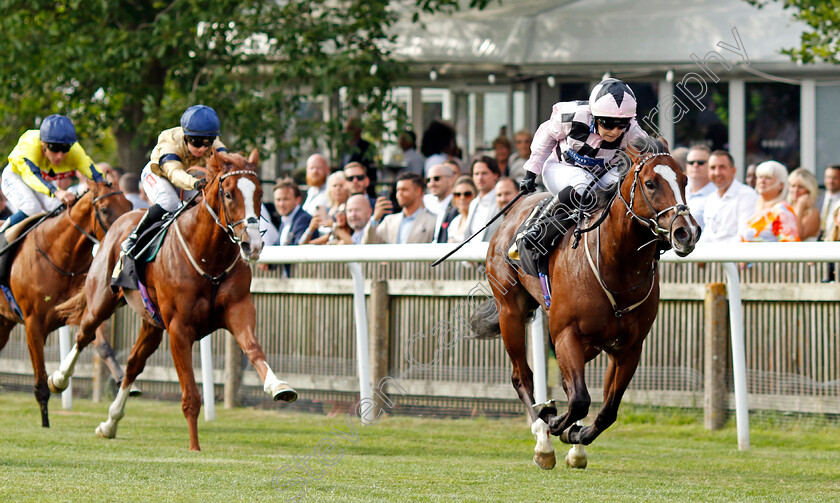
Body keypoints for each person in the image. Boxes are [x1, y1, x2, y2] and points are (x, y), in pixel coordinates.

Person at [509, 79, 653, 261]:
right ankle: (537, 229)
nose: (616, 132)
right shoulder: (570, 116)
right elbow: (545, 137)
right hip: (562, 167)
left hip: (602, 174)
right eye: (608, 124)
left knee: (621, 191)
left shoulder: (633, 130)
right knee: (584, 186)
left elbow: (650, 157)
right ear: (594, 116)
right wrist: (531, 173)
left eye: (622, 124)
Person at [120, 105, 225, 255]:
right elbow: (174, 173)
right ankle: (133, 237)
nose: (202, 148)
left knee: (204, 205)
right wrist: (195, 183)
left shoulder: (212, 145)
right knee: (169, 203)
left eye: (208, 142)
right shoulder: (170, 141)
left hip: (187, 177)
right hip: (160, 174)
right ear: (186, 137)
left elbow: (227, 162)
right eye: (197, 142)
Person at [1, 114, 106, 231]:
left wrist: (106, 185)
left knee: (57, 208)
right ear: (43, 144)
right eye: (54, 148)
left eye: (65, 148)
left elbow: (92, 171)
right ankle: (2, 239)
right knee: (31, 207)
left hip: (42, 180)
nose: (60, 155)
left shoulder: (75, 150)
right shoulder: (29, 143)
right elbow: (31, 176)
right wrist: (56, 191)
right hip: (16, 176)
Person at [699, 150, 759, 245]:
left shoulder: (747, 195)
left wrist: (717, 254)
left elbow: (745, 236)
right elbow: (708, 235)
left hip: (735, 257)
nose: (717, 172)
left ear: (733, 170)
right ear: (708, 172)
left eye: (722, 167)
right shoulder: (711, 199)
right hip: (713, 257)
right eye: (713, 168)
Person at [362, 172, 436, 244]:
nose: (399, 194)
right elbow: (368, 244)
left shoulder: (433, 221)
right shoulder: (389, 221)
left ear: (418, 191)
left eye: (404, 190)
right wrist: (375, 219)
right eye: (398, 190)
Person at [740, 161, 799, 242]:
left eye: (768, 177)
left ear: (781, 185)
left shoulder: (782, 211)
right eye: (760, 177)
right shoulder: (758, 208)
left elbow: (789, 246)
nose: (762, 181)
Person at [465, 156, 501, 242]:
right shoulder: (473, 203)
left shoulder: (502, 201)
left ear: (495, 175)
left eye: (484, 173)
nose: (480, 178)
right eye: (476, 174)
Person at [422, 163, 458, 243]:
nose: (432, 184)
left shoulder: (458, 204)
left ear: (451, 180)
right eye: (428, 180)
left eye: (436, 178)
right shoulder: (425, 203)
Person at [685, 145, 716, 230]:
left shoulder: (717, 194)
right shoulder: (679, 190)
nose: (695, 165)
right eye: (691, 162)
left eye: (701, 162)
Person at [787, 168, 820, 241]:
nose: (795, 190)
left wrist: (800, 206)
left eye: (801, 187)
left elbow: (797, 236)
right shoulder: (787, 207)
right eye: (793, 186)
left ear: (809, 189)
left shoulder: (813, 213)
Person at [447, 176, 478, 244]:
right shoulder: (454, 222)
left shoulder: (479, 220)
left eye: (467, 194)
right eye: (457, 195)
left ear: (475, 196)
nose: (462, 198)